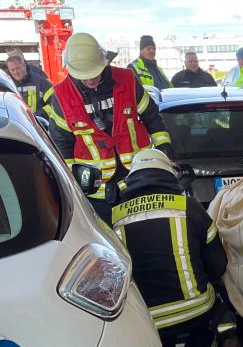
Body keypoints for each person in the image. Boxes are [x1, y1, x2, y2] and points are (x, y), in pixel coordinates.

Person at [112, 148, 233, 347]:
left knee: (160, 336)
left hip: (145, 319)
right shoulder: (190, 207)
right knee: (220, 311)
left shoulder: (114, 217)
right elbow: (218, 265)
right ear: (169, 174)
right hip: (194, 311)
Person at [46, 32, 175, 220]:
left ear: (104, 62)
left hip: (138, 179)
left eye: (94, 74)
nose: (90, 80)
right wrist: (74, 185)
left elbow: (152, 117)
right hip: (98, 194)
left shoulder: (127, 80)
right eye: (84, 76)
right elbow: (61, 144)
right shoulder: (62, 95)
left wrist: (165, 149)